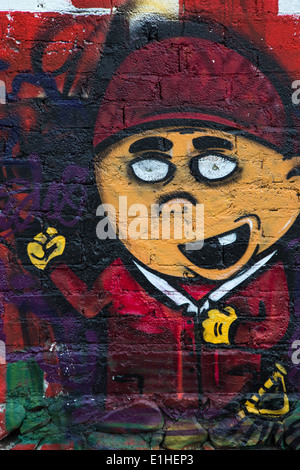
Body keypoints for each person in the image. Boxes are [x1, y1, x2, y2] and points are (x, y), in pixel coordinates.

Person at [27, 15, 300, 430]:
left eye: (215, 164)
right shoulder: (124, 276)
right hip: (137, 422)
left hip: (232, 420)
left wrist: (235, 336)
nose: (182, 196)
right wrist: (52, 266)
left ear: (290, 184)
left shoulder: (264, 280)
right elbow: (88, 305)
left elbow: (272, 329)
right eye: (149, 168)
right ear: (103, 185)